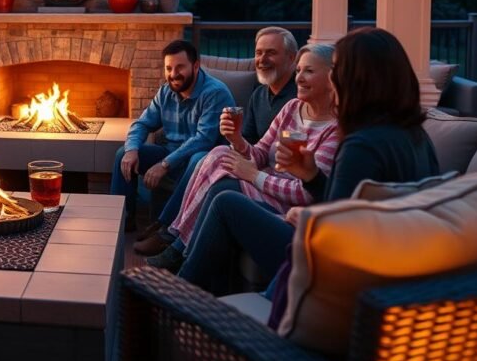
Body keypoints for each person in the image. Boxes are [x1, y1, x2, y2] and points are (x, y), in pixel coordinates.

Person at [177, 28, 440, 295]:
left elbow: (335, 232)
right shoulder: (416, 136)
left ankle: (180, 293)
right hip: (383, 260)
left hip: (334, 270)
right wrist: (312, 176)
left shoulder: (360, 146)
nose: (333, 78)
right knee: (225, 190)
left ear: (357, 79)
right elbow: (351, 206)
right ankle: (205, 289)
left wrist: (303, 217)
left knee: (226, 201)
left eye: (337, 69)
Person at [146, 44, 339, 271]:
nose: (299, 78)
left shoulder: (335, 129)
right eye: (298, 71)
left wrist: (254, 176)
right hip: (266, 184)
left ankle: (179, 247)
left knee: (222, 188)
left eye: (309, 71)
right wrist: (237, 140)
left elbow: (304, 192)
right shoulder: (292, 108)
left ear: (332, 77)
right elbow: (259, 153)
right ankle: (178, 241)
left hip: (287, 203)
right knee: (219, 152)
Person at [135, 27, 299, 250]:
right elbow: (248, 141)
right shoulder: (259, 95)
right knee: (127, 154)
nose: (262, 59)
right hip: (250, 165)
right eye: (259, 53)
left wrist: (245, 159)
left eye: (270, 53)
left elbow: (205, 139)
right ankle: (140, 226)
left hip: (270, 178)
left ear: (291, 58)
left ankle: (169, 233)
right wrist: (237, 141)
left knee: (204, 158)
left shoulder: (297, 102)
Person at [110, 40, 234, 232]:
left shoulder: (215, 93)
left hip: (203, 162)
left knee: (197, 158)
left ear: (195, 66)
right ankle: (122, 220)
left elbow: (203, 140)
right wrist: (131, 149)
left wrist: (164, 164)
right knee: (122, 155)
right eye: (168, 68)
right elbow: (142, 123)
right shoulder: (165, 92)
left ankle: (166, 227)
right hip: (171, 155)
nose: (173, 74)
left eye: (180, 67)